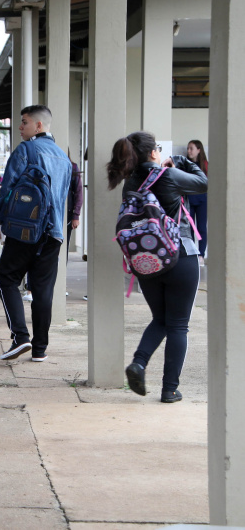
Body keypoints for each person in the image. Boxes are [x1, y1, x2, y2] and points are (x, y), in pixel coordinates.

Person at [107, 132, 207, 403]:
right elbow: (204, 183)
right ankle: (169, 389)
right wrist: (182, 161)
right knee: (178, 325)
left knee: (161, 319)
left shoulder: (130, 183)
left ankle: (139, 363)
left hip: (147, 262)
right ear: (153, 153)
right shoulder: (169, 175)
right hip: (181, 256)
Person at [0, 105, 72, 363]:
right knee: (42, 289)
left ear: (38, 125)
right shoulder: (63, 157)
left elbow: (8, 187)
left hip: (25, 228)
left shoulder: (26, 150)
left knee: (6, 277)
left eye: (24, 122)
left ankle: (20, 337)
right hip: (54, 232)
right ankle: (39, 349)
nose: (20, 127)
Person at [185, 139, 208, 260]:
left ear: (199, 150)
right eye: (188, 149)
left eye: (191, 149)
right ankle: (192, 254)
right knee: (189, 229)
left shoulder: (205, 165)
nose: (189, 151)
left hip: (202, 200)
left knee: (202, 228)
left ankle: (201, 255)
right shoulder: (185, 165)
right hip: (189, 200)